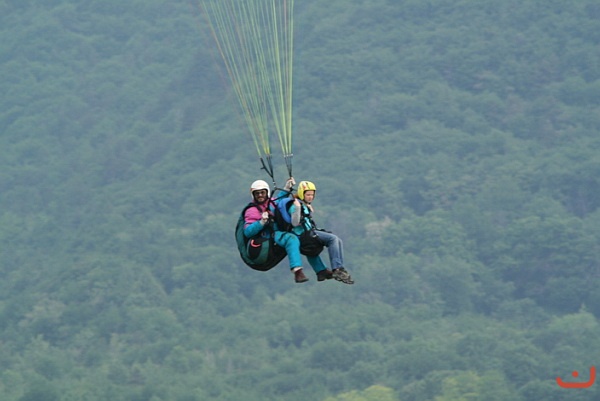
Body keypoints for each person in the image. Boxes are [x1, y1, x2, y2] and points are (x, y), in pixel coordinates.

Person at [287, 180, 354, 284]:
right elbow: (294, 223)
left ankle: (321, 271)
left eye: (312, 195)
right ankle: (337, 269)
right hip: (304, 235)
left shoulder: (303, 204)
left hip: (308, 233)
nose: (310, 197)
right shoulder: (295, 205)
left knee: (338, 241)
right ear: (301, 194)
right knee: (333, 239)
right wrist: (298, 208)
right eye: (308, 195)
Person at [243, 179, 309, 283]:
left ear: (267, 193)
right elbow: (247, 232)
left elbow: (279, 200)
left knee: (308, 238)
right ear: (253, 195)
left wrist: (287, 188)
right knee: (291, 239)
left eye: (262, 192)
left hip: (276, 234)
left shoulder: (271, 203)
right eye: (257, 193)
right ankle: (297, 271)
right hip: (267, 238)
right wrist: (261, 222)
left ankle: (321, 270)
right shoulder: (252, 211)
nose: (260, 195)